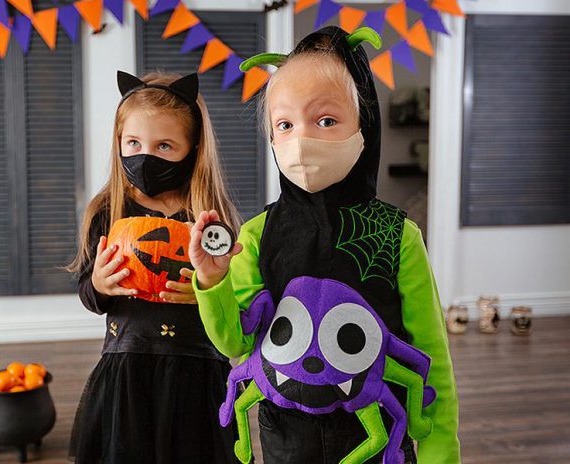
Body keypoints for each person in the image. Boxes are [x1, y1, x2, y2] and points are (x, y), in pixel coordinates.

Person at [190, 27, 460, 463]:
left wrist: (440, 452)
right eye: (285, 124)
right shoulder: (257, 234)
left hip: (378, 434)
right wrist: (212, 279)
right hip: (286, 439)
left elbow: (430, 359)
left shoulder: (397, 234)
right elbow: (234, 344)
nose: (302, 139)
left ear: (364, 126)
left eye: (326, 120)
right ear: (272, 138)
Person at [68, 70, 240, 464]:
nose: (145, 156)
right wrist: (99, 284)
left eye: (164, 146)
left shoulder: (209, 219)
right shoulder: (107, 212)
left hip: (196, 373)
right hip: (129, 370)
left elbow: (235, 303)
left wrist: (207, 288)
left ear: (192, 149)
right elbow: (88, 295)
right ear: (119, 144)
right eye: (134, 143)